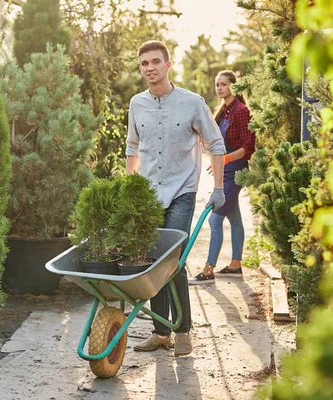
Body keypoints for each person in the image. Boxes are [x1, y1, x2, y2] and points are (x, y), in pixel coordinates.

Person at [125, 40, 227, 356]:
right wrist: (131, 189)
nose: (150, 67)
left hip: (182, 192)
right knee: (156, 262)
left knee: (174, 260)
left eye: (156, 61)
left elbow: (217, 145)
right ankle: (160, 332)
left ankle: (182, 331)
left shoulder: (192, 102)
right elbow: (131, 148)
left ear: (168, 65)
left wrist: (219, 188)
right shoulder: (136, 104)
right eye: (144, 63)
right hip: (149, 195)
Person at [189, 70, 256, 284]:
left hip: (236, 171)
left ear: (233, 87)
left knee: (215, 218)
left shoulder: (242, 111)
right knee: (234, 218)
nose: (219, 88)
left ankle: (208, 270)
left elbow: (248, 148)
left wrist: (225, 160)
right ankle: (236, 264)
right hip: (226, 170)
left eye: (224, 84)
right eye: (217, 84)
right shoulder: (224, 111)